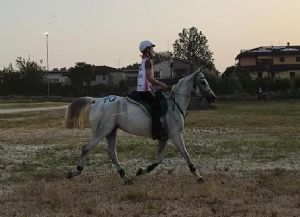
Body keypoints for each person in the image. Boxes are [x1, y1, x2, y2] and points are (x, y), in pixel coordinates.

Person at [137, 40, 169, 140]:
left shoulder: (143, 61)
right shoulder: (148, 62)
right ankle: (156, 132)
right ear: (147, 50)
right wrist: (161, 84)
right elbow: (150, 78)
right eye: (151, 48)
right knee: (157, 106)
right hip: (145, 90)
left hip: (141, 89)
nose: (153, 50)